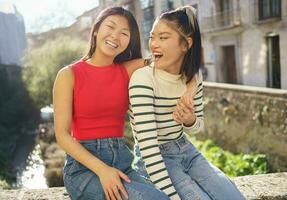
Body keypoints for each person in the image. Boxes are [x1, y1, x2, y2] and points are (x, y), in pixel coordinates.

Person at [53, 7, 172, 200]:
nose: (115, 36)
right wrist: (102, 170)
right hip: (84, 171)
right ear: (96, 30)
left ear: (129, 41)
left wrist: (191, 88)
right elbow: (62, 135)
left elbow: (171, 61)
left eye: (124, 33)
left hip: (123, 163)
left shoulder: (127, 70)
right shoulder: (68, 74)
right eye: (110, 27)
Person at [129, 6, 246, 200]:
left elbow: (197, 127)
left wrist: (190, 120)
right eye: (152, 37)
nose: (154, 44)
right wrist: (173, 198)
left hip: (186, 150)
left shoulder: (194, 77)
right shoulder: (143, 79)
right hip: (156, 157)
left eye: (163, 37)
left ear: (186, 44)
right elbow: (148, 149)